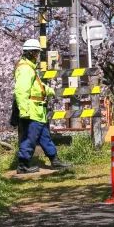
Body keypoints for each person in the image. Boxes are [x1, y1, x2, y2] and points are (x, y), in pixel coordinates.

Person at [14, 38, 71, 175]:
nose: (38, 55)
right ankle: (23, 165)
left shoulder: (29, 68)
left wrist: (51, 91)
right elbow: (21, 91)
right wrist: (24, 111)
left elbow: (37, 86)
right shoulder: (26, 69)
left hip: (38, 110)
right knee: (30, 138)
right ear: (31, 53)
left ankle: (55, 160)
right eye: (36, 53)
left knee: (45, 137)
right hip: (32, 111)